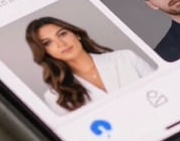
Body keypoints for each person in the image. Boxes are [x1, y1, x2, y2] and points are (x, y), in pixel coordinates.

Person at [25, 17, 156, 113]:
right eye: (47, 43)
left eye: (62, 34)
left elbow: (162, 88)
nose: (61, 44)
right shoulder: (55, 96)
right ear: (45, 52)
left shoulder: (125, 57)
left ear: (76, 34)